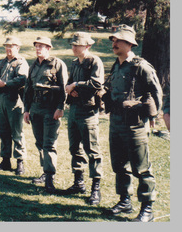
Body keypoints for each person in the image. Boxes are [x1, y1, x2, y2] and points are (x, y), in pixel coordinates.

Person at [102, 25, 162, 222]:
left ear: (129, 44)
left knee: (141, 167)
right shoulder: (116, 65)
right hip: (116, 122)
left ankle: (147, 209)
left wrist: (151, 115)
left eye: (118, 41)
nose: (114, 43)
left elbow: (156, 92)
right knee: (119, 165)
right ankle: (124, 200)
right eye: (113, 40)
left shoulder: (141, 66)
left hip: (135, 124)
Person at [59, 32, 105, 205]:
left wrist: (76, 85)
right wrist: (69, 88)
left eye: (77, 45)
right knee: (74, 148)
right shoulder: (75, 63)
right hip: (75, 110)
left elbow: (97, 83)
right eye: (73, 44)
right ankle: (79, 183)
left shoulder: (94, 61)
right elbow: (69, 82)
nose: (73, 47)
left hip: (88, 112)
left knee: (92, 150)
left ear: (87, 46)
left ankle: (95, 189)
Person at [23, 36, 68, 194]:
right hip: (36, 108)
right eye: (36, 46)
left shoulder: (57, 64)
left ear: (49, 48)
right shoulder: (33, 66)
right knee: (40, 143)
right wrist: (26, 109)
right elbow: (28, 89)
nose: (38, 49)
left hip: (51, 109)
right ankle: (45, 172)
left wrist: (60, 107)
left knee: (49, 144)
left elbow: (63, 87)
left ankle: (50, 178)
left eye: (42, 46)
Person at [0, 37, 29, 175]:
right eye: (6, 46)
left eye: (11, 46)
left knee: (17, 132)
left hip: (15, 101)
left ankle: (20, 162)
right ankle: (5, 160)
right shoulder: (0, 63)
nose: (8, 49)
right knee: (3, 132)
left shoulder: (21, 63)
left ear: (18, 48)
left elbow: (23, 79)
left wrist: (5, 84)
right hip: (0, 100)